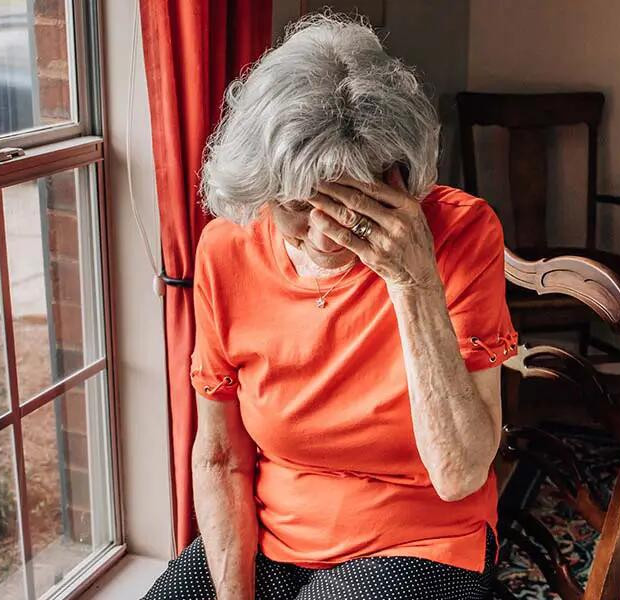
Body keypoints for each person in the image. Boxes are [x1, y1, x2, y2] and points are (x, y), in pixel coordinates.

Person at [143, 13, 516, 600]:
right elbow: (221, 460)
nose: (325, 235)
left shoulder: (462, 234)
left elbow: (460, 473)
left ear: (398, 178)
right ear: (260, 190)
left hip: (420, 537)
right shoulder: (227, 248)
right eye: (296, 205)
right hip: (276, 528)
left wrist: (414, 281)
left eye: (349, 204)